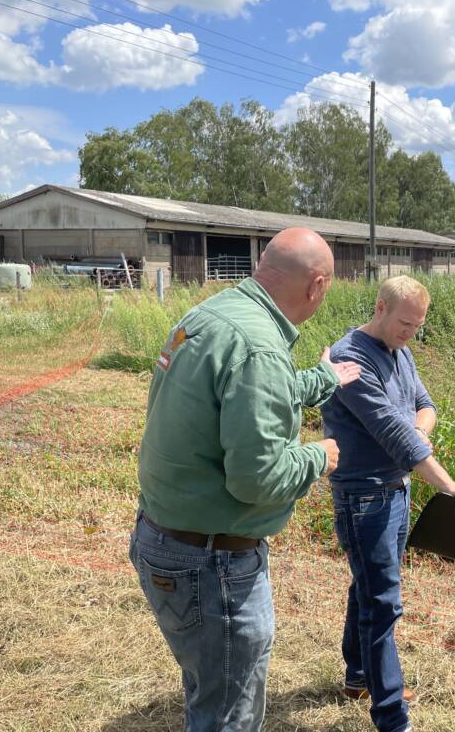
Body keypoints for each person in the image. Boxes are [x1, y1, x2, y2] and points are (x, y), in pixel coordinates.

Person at [128, 228, 361, 732]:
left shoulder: (211, 315)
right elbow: (257, 480)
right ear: (317, 286)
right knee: (227, 715)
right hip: (212, 566)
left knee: (208, 682)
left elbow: (249, 389)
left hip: (162, 537)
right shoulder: (259, 348)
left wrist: (322, 378)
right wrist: (317, 457)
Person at [321, 275, 455, 732]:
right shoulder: (350, 359)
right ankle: (392, 717)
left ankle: (359, 676)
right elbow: (394, 434)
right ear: (379, 307)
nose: (410, 333)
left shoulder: (401, 351)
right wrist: (450, 486)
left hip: (395, 490)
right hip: (364, 497)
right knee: (383, 601)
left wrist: (420, 430)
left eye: (417, 326)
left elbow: (424, 404)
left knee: (369, 588)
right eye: (404, 323)